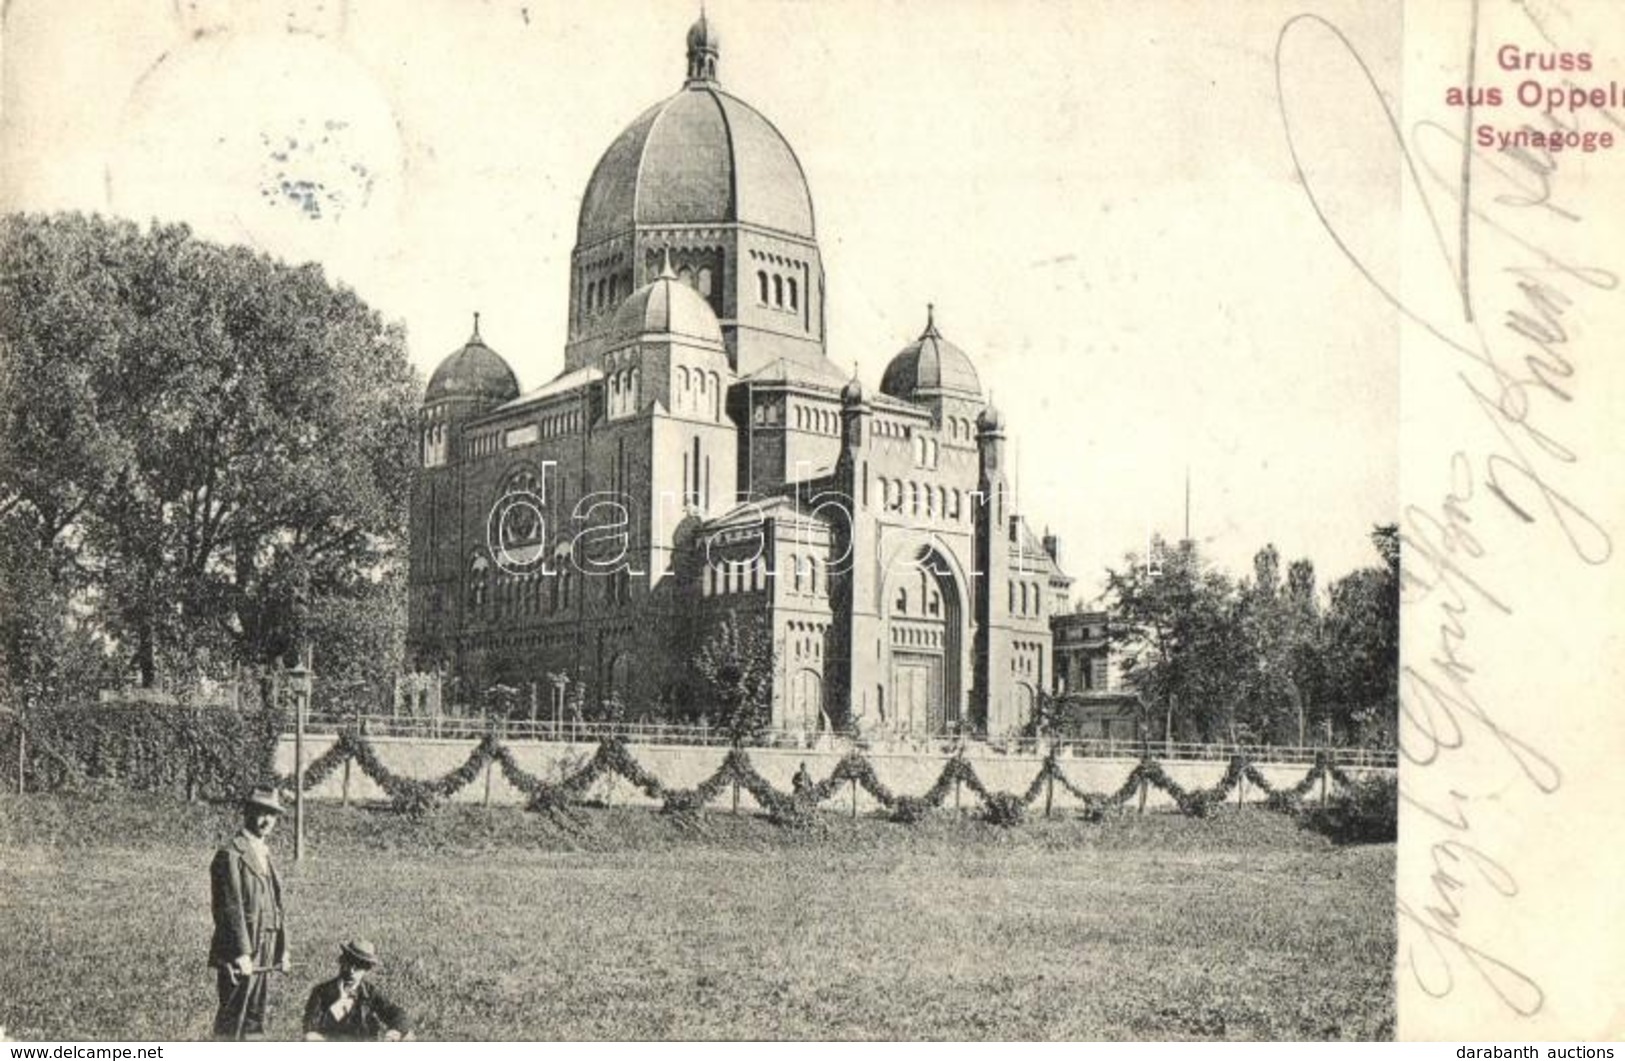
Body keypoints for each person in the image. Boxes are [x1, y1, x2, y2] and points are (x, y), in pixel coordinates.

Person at [208, 787, 290, 1040]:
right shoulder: (231, 854)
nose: (267, 821)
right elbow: (229, 909)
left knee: (255, 1017)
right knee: (232, 1019)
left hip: (266, 942)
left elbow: (276, 904)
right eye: (261, 812)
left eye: (273, 815)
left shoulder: (264, 852)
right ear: (247, 812)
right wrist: (240, 952)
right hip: (242, 947)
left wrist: (282, 949)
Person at [302, 940, 412, 1041]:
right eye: (349, 963)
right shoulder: (321, 992)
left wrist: (394, 1032)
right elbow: (310, 1026)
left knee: (407, 1036)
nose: (351, 971)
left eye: (358, 967)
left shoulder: (370, 993)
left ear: (366, 969)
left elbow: (398, 1014)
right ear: (342, 961)